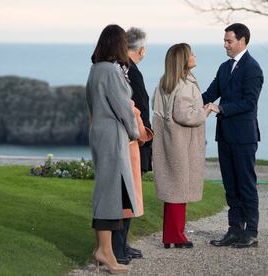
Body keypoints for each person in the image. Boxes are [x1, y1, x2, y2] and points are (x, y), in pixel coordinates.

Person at [202, 23, 264, 248]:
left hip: (244, 137)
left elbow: (249, 103)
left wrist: (221, 108)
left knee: (246, 184)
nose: (225, 45)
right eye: (224, 40)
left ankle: (252, 232)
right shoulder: (223, 68)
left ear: (242, 41)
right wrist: (185, 102)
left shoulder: (252, 68)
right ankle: (235, 229)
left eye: (229, 41)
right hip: (225, 136)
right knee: (230, 185)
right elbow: (209, 94)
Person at [86, 24, 139, 274]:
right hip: (112, 136)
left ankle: (101, 250)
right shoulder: (111, 71)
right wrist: (136, 133)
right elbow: (124, 108)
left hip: (99, 133)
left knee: (105, 191)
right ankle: (105, 252)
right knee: (111, 194)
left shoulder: (96, 69)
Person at [152, 43, 211, 249]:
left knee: (173, 188)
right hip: (183, 143)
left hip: (169, 141)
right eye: (191, 53)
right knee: (179, 190)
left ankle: (172, 235)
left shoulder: (165, 82)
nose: (194, 56)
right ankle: (176, 236)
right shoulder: (184, 84)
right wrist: (206, 111)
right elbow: (184, 115)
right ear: (183, 60)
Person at [112, 27, 151, 264]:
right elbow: (133, 106)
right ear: (142, 49)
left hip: (137, 138)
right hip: (133, 138)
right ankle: (117, 247)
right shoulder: (127, 71)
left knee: (130, 195)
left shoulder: (128, 69)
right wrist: (143, 133)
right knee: (125, 195)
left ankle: (122, 244)